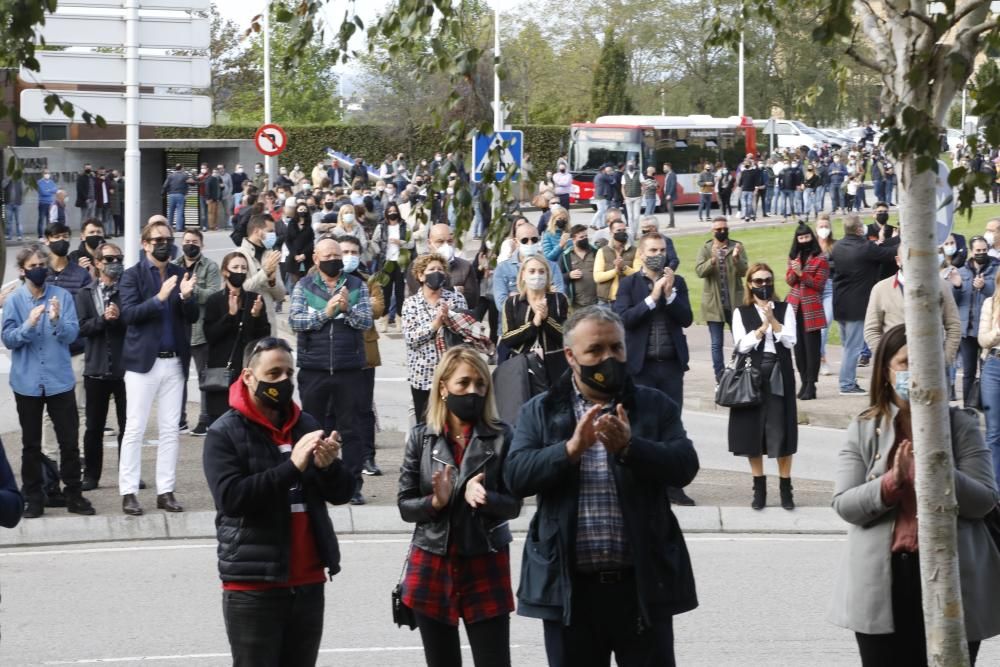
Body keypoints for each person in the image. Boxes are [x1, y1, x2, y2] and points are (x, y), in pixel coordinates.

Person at [504, 306, 699, 667]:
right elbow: (515, 476)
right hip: (570, 592)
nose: (608, 358)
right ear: (570, 356)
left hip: (640, 587)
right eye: (595, 350)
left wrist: (631, 448)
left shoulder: (654, 405)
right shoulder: (541, 411)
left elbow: (685, 466)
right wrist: (569, 451)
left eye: (616, 348)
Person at [829, 324, 1000, 665]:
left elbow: (984, 500)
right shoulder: (864, 427)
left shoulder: (961, 425)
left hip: (951, 575)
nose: (916, 371)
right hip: (884, 580)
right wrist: (891, 482)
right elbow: (845, 505)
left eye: (926, 362)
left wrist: (937, 470)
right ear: (886, 371)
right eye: (906, 362)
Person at [203, 337, 355, 667]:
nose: (283, 381)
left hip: (308, 583)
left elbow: (341, 493)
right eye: (273, 374)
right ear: (248, 377)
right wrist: (291, 467)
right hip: (253, 586)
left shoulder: (307, 424)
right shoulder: (223, 433)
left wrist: (329, 468)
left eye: (289, 372)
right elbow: (232, 499)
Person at [398, 346, 522, 667]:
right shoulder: (422, 438)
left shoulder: (502, 437)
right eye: (463, 383)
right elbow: (405, 505)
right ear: (443, 388)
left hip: (485, 560)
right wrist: (436, 502)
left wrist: (485, 498)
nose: (473, 391)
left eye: (481, 384)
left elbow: (513, 505)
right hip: (432, 564)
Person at [2, 244, 94, 518]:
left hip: (59, 381)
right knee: (30, 444)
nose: (39, 270)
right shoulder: (15, 300)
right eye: (33, 266)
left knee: (69, 442)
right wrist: (29, 324)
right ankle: (34, 498)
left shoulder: (62, 297)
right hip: (27, 383)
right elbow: (8, 339)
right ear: (22, 271)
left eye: (42, 265)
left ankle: (74, 495)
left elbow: (72, 335)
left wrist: (55, 321)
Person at [118, 216, 199, 516]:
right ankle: (128, 492)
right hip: (143, 364)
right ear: (145, 244)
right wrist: (160, 297)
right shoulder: (132, 276)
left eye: (168, 240)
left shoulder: (181, 273)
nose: (164, 245)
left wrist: (187, 297)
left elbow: (190, 316)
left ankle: (166, 491)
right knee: (135, 428)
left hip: (174, 361)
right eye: (157, 241)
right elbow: (129, 315)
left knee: (170, 430)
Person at [289, 237, 374, 506]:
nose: (334, 259)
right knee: (312, 429)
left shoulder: (357, 285)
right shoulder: (304, 286)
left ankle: (352, 485)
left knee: (352, 428)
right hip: (314, 368)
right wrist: (325, 313)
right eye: (328, 255)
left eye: (337, 255)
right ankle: (313, 481)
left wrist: (347, 309)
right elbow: (295, 321)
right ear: (316, 258)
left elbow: (366, 321)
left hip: (349, 367)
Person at [614, 233, 696, 507]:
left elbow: (686, 319)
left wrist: (670, 294)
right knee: (643, 426)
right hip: (641, 367)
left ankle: (674, 485)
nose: (658, 254)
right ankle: (643, 482)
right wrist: (653, 297)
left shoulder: (678, 283)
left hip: (671, 366)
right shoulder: (629, 284)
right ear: (641, 253)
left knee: (672, 427)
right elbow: (624, 319)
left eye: (662, 249)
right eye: (652, 249)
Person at [729, 263, 798, 510]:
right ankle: (759, 488)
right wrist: (761, 329)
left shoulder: (784, 307)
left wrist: (774, 321)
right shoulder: (741, 312)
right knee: (752, 431)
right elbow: (741, 345)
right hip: (752, 373)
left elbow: (791, 340)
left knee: (782, 431)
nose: (764, 285)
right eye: (758, 281)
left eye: (768, 280)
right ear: (750, 284)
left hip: (780, 371)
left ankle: (785, 488)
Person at [75, 242, 127, 490]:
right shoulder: (86, 293)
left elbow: (133, 323)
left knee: (128, 426)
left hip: (124, 369)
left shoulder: (126, 291)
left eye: (118, 258)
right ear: (97, 263)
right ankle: (92, 475)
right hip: (95, 368)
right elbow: (82, 327)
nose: (114, 264)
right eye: (108, 259)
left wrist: (118, 319)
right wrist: (104, 320)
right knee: (94, 427)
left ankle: (127, 474)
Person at [832, 214, 898, 395]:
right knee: (853, 348)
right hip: (857, 304)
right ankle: (847, 384)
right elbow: (889, 254)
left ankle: (847, 381)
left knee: (847, 346)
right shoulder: (864, 247)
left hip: (840, 303)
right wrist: (902, 239)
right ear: (860, 229)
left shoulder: (837, 247)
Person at [202, 252, 270, 425]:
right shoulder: (215, 300)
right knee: (221, 424)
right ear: (225, 272)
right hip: (222, 372)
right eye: (235, 267)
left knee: (248, 423)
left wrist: (256, 316)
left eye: (243, 268)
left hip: (247, 371)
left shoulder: (254, 299)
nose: (240, 271)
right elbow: (211, 335)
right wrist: (230, 316)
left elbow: (263, 338)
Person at [338, 236, 386, 478]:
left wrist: (352, 304)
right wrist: (363, 304)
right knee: (338, 409)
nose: (349, 255)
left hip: (364, 351)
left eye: (353, 251)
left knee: (364, 409)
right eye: (344, 251)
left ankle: (368, 457)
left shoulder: (369, 279)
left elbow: (378, 309)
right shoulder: (327, 279)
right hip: (337, 351)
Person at [403, 253, 470, 422]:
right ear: (420, 275)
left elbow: (467, 333)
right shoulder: (411, 304)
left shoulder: (456, 299)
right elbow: (411, 338)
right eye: (431, 269)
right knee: (425, 426)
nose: (437, 273)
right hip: (422, 376)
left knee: (452, 423)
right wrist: (435, 324)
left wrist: (451, 320)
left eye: (440, 270)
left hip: (451, 374)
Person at [863, 248, 961, 364]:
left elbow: (954, 325)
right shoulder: (881, 289)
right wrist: (888, 359)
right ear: (898, 260)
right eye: (909, 257)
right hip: (896, 368)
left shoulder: (941, 286)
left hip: (933, 367)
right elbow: (871, 330)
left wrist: (945, 358)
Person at [174, 229, 221, 435]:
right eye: (186, 241)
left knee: (205, 379)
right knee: (177, 378)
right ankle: (179, 419)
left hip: (201, 331)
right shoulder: (174, 266)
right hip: (179, 331)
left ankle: (205, 418)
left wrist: (191, 290)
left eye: (194, 241)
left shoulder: (210, 266)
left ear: (202, 245)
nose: (190, 244)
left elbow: (213, 295)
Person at [500, 256, 570, 385]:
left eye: (541, 271)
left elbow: (567, 336)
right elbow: (507, 339)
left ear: (548, 275)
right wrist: (534, 324)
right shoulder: (512, 303)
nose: (537, 275)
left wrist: (546, 319)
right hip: (523, 366)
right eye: (532, 271)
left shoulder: (560, 300)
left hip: (556, 367)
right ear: (523, 275)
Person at [695, 217, 748, 381]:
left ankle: (739, 371)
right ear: (713, 231)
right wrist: (712, 261)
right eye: (718, 229)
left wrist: (737, 259)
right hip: (714, 304)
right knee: (716, 344)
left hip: (734, 302)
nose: (722, 231)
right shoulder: (706, 248)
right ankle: (720, 376)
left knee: (740, 341)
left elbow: (744, 271)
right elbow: (699, 271)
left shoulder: (736, 246)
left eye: (724, 228)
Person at [785, 223, 829, 401]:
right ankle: (803, 381)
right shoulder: (793, 257)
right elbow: (789, 280)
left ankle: (811, 383)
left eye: (806, 237)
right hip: (795, 307)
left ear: (811, 237)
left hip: (812, 307)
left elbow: (819, 284)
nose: (804, 241)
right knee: (799, 349)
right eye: (800, 238)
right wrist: (794, 272)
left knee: (812, 349)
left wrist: (802, 274)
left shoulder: (821, 259)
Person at [956, 237, 996, 406]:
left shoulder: (996, 269)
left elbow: (997, 295)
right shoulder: (961, 271)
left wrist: (984, 287)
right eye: (978, 251)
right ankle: (968, 407)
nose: (981, 253)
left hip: (987, 330)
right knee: (968, 373)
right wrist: (956, 286)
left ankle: (987, 405)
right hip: (968, 331)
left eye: (984, 250)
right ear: (972, 252)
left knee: (987, 371)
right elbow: (955, 301)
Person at [238, 215, 287, 333]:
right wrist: (264, 273)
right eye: (270, 231)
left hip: (268, 324)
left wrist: (272, 282)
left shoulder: (271, 255)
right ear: (257, 231)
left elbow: (281, 296)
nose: (273, 235)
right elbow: (241, 289)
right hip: (246, 322)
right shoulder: (238, 255)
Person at [374, 202, 414, 331]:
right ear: (386, 212)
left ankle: (399, 320)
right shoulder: (381, 226)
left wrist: (400, 242)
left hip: (400, 263)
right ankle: (384, 320)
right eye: (389, 211)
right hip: (386, 263)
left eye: (394, 210)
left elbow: (411, 243)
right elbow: (374, 241)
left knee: (399, 293)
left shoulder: (405, 225)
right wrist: (379, 252)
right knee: (385, 292)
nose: (392, 213)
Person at [593, 218, 638, 304]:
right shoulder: (602, 251)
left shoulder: (635, 251)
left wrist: (624, 268)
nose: (622, 232)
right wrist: (615, 271)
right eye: (618, 230)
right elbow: (597, 277)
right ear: (611, 233)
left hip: (627, 300)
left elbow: (638, 275)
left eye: (624, 230)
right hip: (606, 301)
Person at [560, 224, 598, 312]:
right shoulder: (566, 256)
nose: (585, 239)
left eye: (586, 236)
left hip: (597, 301)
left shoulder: (595, 252)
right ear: (573, 239)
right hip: (577, 303)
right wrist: (569, 275)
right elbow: (559, 277)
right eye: (581, 237)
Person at [816, 214, 836, 376]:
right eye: (821, 226)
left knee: (825, 324)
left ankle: (821, 359)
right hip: (814, 287)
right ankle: (819, 358)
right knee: (816, 326)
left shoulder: (834, 246)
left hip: (830, 286)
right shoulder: (811, 245)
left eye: (826, 226)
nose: (824, 229)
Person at [284, 203, 315, 290]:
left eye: (304, 210)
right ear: (297, 211)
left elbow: (311, 242)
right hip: (293, 258)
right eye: (301, 210)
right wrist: (295, 254)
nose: (302, 212)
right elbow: (288, 240)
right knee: (292, 284)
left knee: (306, 283)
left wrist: (304, 254)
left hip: (306, 258)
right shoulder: (292, 223)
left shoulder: (309, 226)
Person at [162, 164, 192, 232]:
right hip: (180, 195)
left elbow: (165, 185)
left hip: (171, 195)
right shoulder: (184, 175)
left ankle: (170, 227)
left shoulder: (170, 176)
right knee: (179, 212)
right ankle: (179, 228)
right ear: (181, 168)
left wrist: (162, 193)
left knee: (171, 212)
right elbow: (191, 182)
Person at [620, 160, 643, 237]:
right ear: (627, 166)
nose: (630, 166)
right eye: (629, 165)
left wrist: (642, 194)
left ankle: (635, 233)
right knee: (630, 217)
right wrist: (624, 197)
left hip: (637, 198)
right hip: (628, 198)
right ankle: (631, 234)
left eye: (632, 165)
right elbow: (623, 187)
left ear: (634, 165)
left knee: (636, 217)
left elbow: (643, 185)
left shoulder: (639, 174)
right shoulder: (624, 175)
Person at [738, 158, 761, 223]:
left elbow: (756, 181)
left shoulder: (754, 172)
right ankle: (746, 216)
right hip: (744, 190)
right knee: (744, 204)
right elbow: (741, 181)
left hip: (751, 190)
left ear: (750, 165)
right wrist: (740, 186)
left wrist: (756, 189)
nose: (746, 165)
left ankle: (750, 215)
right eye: (745, 164)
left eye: (747, 164)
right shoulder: (743, 172)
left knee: (749, 204)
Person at [36, 170, 57, 239]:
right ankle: (40, 236)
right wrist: (50, 191)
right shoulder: (39, 182)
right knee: (41, 220)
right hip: (42, 203)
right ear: (43, 174)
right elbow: (43, 193)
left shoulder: (52, 182)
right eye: (45, 173)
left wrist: (48, 190)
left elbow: (55, 190)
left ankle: (48, 235)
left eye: (48, 173)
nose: (47, 174)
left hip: (50, 204)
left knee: (49, 220)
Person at [662, 162, 677, 228]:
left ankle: (672, 224)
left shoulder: (672, 174)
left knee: (670, 209)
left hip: (669, 195)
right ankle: (671, 223)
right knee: (669, 209)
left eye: (665, 167)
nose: (664, 169)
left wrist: (669, 194)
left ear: (669, 167)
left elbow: (673, 185)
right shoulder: (667, 174)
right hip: (666, 194)